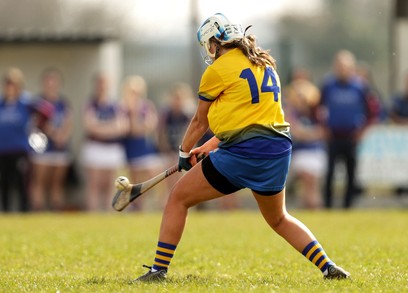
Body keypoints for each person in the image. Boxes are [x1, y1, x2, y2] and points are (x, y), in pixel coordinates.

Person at [134, 13, 350, 282]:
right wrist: (210, 147)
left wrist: (183, 152)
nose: (209, 51)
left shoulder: (217, 70)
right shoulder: (265, 63)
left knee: (178, 198)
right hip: (277, 150)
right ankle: (328, 266)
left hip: (244, 152)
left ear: (217, 41)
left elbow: (200, 121)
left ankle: (158, 270)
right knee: (279, 218)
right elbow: (247, 118)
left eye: (209, 44)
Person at [0, 67, 51, 212]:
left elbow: (47, 111)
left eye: (13, 84)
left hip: (20, 148)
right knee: (3, 181)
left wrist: (38, 127)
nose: (9, 88)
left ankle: (24, 211)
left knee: (22, 182)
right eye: (7, 84)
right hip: (0, 148)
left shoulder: (26, 102)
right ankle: (5, 211)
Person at [318, 50, 373, 209]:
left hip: (351, 136)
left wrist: (362, 131)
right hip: (333, 136)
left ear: (351, 67)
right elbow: (318, 108)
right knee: (330, 173)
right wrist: (323, 127)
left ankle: (347, 207)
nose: (342, 69)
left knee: (351, 174)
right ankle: (328, 206)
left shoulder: (360, 86)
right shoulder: (328, 85)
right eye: (339, 66)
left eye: (345, 66)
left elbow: (373, 110)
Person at [81, 73, 129, 211]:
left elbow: (123, 127)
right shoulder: (90, 104)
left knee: (111, 185)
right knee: (94, 185)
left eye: (104, 83)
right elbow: (90, 126)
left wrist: (101, 128)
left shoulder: (116, 105)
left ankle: (109, 213)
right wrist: (111, 128)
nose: (102, 86)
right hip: (94, 147)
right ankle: (93, 213)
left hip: (113, 149)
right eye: (99, 83)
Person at [30, 67, 73, 211]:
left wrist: (63, 136)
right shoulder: (38, 103)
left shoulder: (63, 103)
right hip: (42, 147)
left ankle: (56, 212)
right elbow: (40, 123)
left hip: (61, 148)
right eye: (47, 80)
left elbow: (69, 122)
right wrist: (55, 135)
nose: (51, 83)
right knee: (40, 181)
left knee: (57, 183)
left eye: (54, 80)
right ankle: (38, 211)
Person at [284, 68, 326, 209]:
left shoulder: (317, 109)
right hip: (299, 151)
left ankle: (314, 211)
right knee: (308, 183)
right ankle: (312, 210)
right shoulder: (289, 108)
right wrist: (309, 134)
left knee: (312, 185)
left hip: (316, 150)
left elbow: (323, 131)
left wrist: (307, 134)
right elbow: (295, 131)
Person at [121, 75, 162, 211]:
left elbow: (150, 126)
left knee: (151, 178)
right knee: (134, 181)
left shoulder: (147, 105)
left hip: (145, 148)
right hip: (130, 148)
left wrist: (139, 125)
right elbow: (133, 130)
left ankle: (152, 206)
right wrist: (134, 114)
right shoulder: (123, 107)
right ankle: (135, 207)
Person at [157, 82, 195, 203]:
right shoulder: (166, 114)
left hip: (184, 153)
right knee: (168, 180)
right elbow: (161, 134)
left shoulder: (188, 115)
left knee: (182, 182)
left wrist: (181, 153)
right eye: (175, 97)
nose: (177, 101)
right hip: (169, 152)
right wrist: (167, 151)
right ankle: (167, 203)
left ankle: (184, 204)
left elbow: (188, 136)